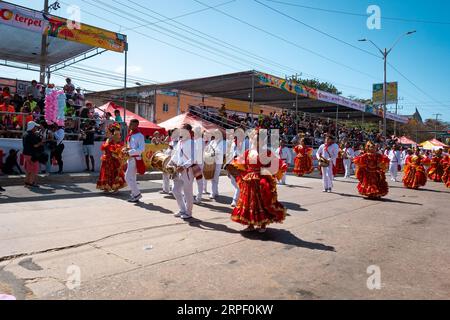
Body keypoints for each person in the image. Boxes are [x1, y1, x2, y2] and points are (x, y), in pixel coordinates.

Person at [230, 129, 287, 233]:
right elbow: (239, 163)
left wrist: (278, 167)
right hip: (248, 182)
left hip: (260, 182)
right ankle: (250, 224)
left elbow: (275, 162)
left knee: (262, 203)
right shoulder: (248, 152)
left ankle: (262, 224)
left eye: (257, 140)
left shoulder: (266, 153)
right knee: (248, 204)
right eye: (254, 140)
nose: (255, 142)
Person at [169, 124, 196, 220]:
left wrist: (184, 166)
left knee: (187, 192)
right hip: (178, 169)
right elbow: (176, 155)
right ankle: (182, 209)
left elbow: (194, 158)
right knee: (175, 190)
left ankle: (188, 212)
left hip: (187, 170)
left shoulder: (193, 142)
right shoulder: (180, 142)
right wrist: (170, 163)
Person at [97, 124, 127, 193]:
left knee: (114, 173)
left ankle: (116, 187)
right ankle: (106, 187)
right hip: (106, 159)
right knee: (105, 174)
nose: (106, 134)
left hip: (113, 160)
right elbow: (104, 149)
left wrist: (114, 152)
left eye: (107, 132)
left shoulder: (114, 139)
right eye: (106, 132)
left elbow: (118, 148)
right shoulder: (107, 139)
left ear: (111, 133)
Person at [123, 119, 146, 203]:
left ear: (136, 125)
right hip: (131, 158)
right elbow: (131, 147)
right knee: (132, 178)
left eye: (131, 124)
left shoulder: (139, 135)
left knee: (127, 177)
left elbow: (141, 149)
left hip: (135, 159)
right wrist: (126, 149)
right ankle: (134, 195)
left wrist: (129, 152)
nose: (129, 125)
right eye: (130, 124)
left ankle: (137, 194)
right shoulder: (131, 134)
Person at [22, 121, 46, 188]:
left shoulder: (25, 133)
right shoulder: (31, 135)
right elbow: (35, 145)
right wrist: (41, 142)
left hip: (26, 153)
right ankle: (31, 183)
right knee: (34, 169)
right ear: (32, 127)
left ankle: (26, 183)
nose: (36, 128)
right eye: (35, 127)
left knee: (28, 169)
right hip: (31, 154)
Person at [205, 131, 224, 200]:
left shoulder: (222, 142)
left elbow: (220, 151)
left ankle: (213, 193)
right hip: (211, 161)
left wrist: (213, 153)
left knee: (215, 177)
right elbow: (207, 149)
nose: (216, 135)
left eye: (217, 133)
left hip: (218, 161)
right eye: (215, 133)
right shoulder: (212, 142)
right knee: (213, 177)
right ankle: (216, 191)